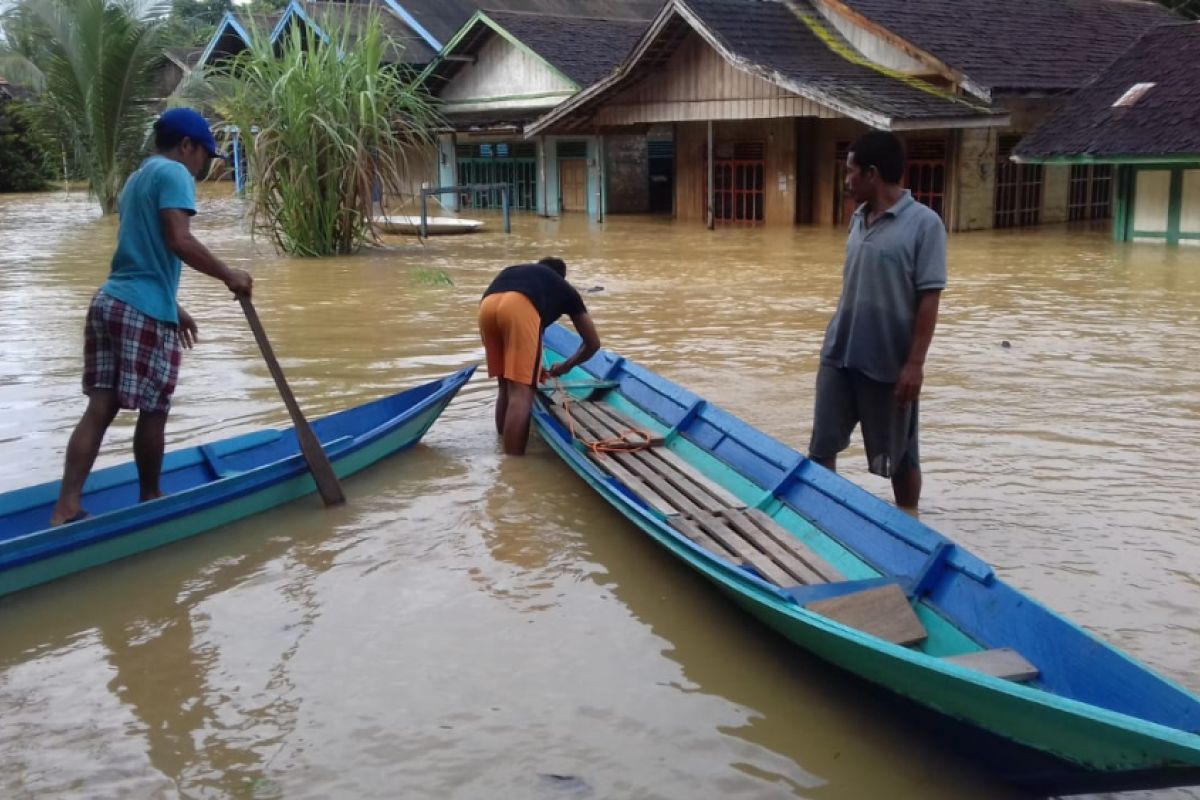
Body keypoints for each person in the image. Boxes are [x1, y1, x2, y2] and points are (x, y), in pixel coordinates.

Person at [48, 107, 254, 526]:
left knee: (100, 407)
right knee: (155, 408)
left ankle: (66, 505)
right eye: (203, 156)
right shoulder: (174, 174)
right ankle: (151, 496)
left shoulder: (138, 178)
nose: (200, 168)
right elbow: (179, 240)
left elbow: (140, 254)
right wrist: (228, 274)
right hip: (140, 309)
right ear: (186, 146)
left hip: (109, 301)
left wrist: (173, 307)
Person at [808, 131, 946, 510]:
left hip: (889, 363)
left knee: (900, 458)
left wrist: (915, 364)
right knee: (821, 448)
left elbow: (929, 298)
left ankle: (908, 525)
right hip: (839, 353)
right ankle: (824, 520)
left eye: (850, 172)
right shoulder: (857, 217)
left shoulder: (924, 225)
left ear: (872, 174)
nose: (846, 180)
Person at [479, 257, 601, 455]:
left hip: (487, 306)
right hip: (519, 306)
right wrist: (566, 366)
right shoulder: (563, 287)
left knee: (505, 385)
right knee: (522, 391)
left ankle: (500, 445)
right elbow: (593, 343)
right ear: (561, 277)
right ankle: (514, 464)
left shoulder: (517, 272)